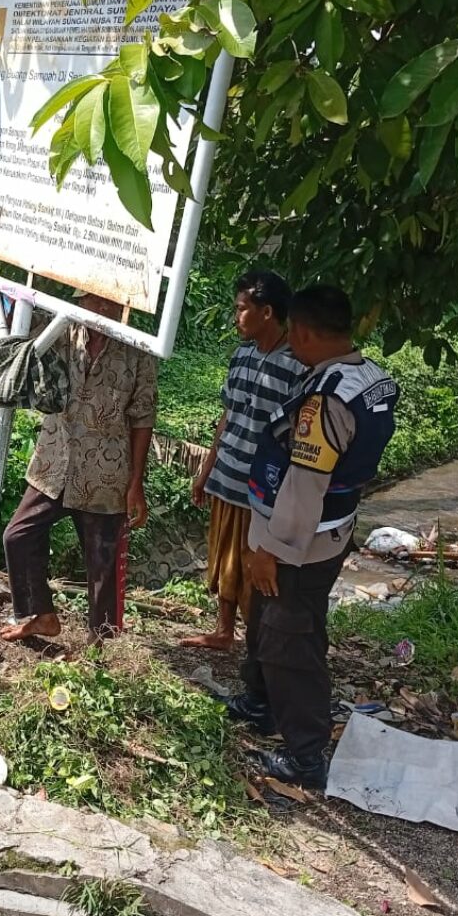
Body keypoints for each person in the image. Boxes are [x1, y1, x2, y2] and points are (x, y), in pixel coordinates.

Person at [224, 285, 399, 788]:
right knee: (270, 618)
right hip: (331, 527)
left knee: (288, 639)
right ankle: (259, 703)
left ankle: (306, 757)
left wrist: (271, 552)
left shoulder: (325, 401)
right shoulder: (366, 377)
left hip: (301, 540)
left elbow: (304, 484)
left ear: (300, 331)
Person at [0, 290, 158, 645]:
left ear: (124, 305)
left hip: (106, 474)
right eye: (94, 301)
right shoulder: (61, 331)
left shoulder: (137, 351)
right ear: (81, 301)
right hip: (55, 464)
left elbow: (143, 417)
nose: (103, 308)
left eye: (111, 302)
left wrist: (136, 483)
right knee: (18, 536)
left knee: (102, 562)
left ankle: (99, 646)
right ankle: (42, 615)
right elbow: (21, 331)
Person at [183, 272, 306, 651]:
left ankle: (258, 641)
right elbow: (228, 415)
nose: (236, 317)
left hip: (262, 487)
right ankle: (224, 630)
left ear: (266, 312)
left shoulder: (298, 367)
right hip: (227, 474)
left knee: (254, 565)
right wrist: (206, 470)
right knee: (224, 560)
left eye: (241, 309)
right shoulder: (241, 356)